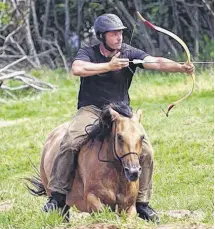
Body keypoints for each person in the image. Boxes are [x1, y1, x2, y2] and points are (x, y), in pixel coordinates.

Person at [43, 13, 194, 222]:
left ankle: (142, 203)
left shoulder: (129, 53)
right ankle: (57, 197)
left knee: (147, 151)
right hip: (92, 110)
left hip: (122, 112)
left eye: (120, 33)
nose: (119, 37)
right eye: (114, 34)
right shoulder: (89, 52)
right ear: (102, 36)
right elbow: (77, 68)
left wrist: (179, 67)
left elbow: (155, 62)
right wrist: (108, 66)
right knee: (70, 142)